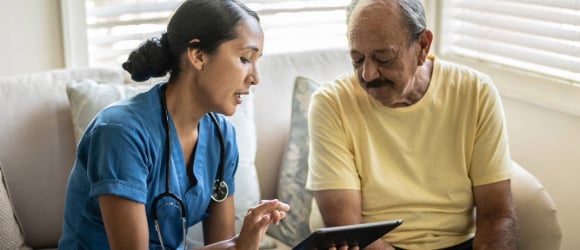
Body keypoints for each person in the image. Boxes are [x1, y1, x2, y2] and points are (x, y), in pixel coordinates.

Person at [58, 0, 290, 249]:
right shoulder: (120, 133)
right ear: (198, 56)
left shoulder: (222, 137)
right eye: (245, 58)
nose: (255, 78)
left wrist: (244, 241)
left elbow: (222, 243)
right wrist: (237, 245)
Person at [306, 0, 518, 249]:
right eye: (357, 59)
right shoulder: (331, 103)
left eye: (383, 58)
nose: (368, 74)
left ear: (422, 47)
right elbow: (347, 228)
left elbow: (497, 214)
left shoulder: (475, 92)